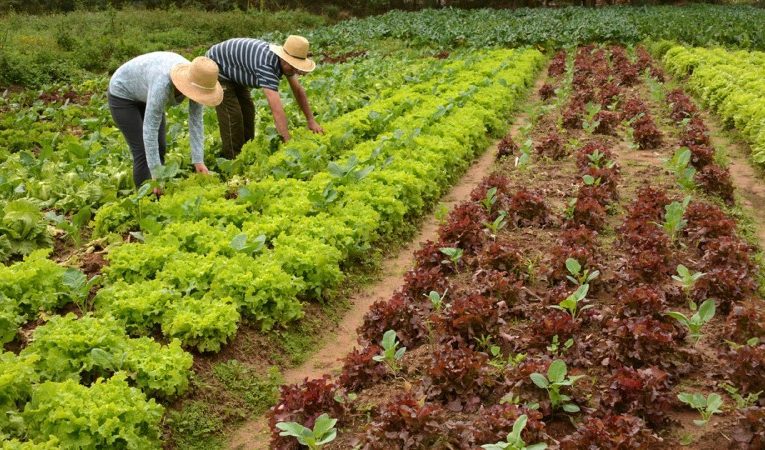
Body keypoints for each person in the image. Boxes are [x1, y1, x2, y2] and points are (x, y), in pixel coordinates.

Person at [108, 53, 224, 189]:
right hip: (123, 93)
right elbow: (150, 128)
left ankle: (158, 189)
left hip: (146, 91)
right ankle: (146, 200)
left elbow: (196, 120)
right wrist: (155, 173)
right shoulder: (163, 84)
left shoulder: (200, 79)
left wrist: (198, 160)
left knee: (160, 146)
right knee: (143, 152)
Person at [206, 35, 324, 159]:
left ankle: (246, 151)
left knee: (248, 110)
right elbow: (276, 110)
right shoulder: (266, 65)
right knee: (233, 115)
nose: (294, 70)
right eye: (293, 66)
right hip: (217, 66)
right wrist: (287, 141)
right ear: (283, 58)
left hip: (235, 69)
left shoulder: (287, 65)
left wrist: (310, 120)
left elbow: (298, 90)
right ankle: (233, 159)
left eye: (297, 67)